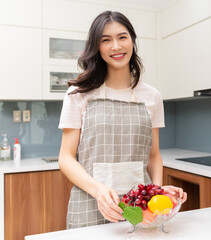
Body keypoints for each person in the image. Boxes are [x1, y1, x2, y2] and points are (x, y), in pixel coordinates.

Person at [58, 11, 187, 229]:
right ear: (96, 48)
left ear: (132, 41)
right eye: (105, 40)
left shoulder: (152, 96)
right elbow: (66, 158)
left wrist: (156, 194)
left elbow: (153, 156)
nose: (116, 46)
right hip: (90, 202)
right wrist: (99, 190)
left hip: (140, 208)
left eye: (122, 37)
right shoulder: (78, 94)